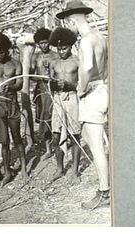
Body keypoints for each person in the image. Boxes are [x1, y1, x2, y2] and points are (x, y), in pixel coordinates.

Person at [56, 0, 109, 209]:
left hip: (92, 93)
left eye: (67, 23)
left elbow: (87, 68)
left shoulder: (87, 41)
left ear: (72, 20)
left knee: (96, 147)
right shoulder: (101, 37)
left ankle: (105, 193)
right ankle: (106, 187)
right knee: (102, 144)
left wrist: (81, 88)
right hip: (104, 88)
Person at [0, 33, 28, 187]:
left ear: (8, 50)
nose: (0, 55)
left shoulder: (16, 64)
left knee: (17, 137)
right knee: (4, 141)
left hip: (12, 103)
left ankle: (23, 168)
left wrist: (11, 86)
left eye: (2, 52)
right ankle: (7, 172)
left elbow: (20, 84)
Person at [47, 27, 81, 185]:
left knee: (75, 135)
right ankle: (60, 168)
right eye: (59, 49)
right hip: (58, 100)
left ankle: (74, 170)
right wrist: (53, 85)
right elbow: (49, 83)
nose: (61, 51)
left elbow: (83, 85)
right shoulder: (54, 63)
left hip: (72, 99)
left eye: (64, 48)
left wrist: (70, 85)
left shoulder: (77, 61)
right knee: (55, 135)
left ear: (71, 46)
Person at [30, 28, 59, 159]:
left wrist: (51, 76)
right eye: (40, 43)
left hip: (55, 91)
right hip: (42, 92)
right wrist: (41, 77)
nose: (44, 45)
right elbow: (30, 75)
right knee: (45, 119)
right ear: (37, 44)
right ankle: (48, 149)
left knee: (57, 117)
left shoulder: (56, 55)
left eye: (46, 42)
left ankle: (60, 144)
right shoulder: (36, 57)